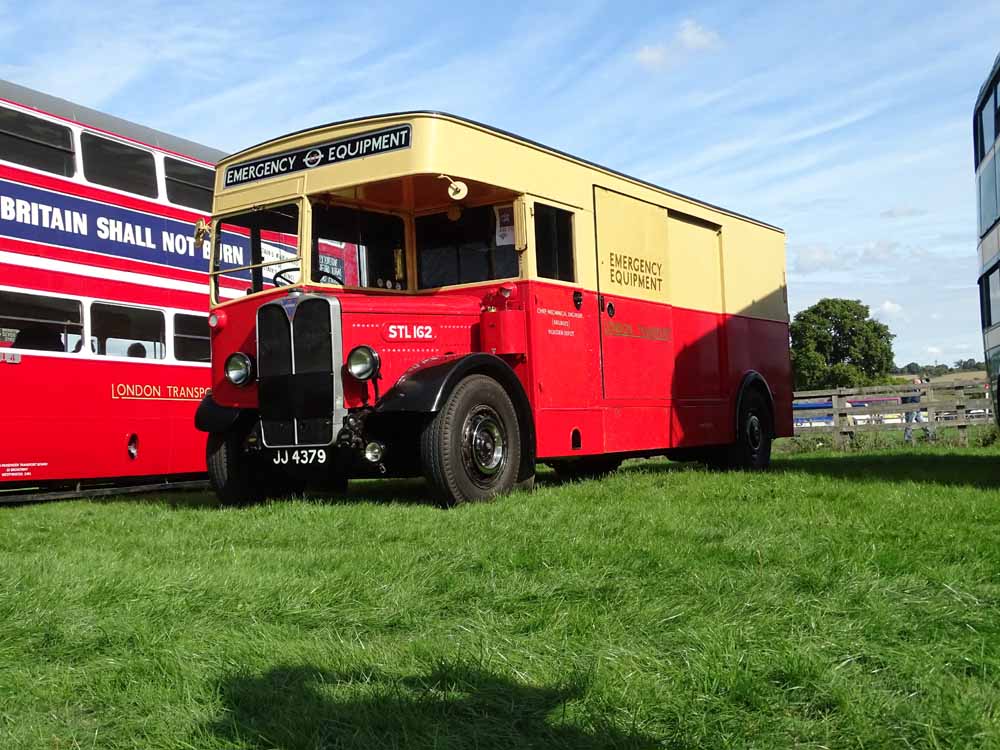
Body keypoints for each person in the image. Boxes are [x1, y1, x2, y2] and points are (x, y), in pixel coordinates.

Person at [902, 377, 932, 443]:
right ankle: (907, 440)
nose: (921, 384)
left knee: (923, 424)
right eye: (919, 383)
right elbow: (906, 400)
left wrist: (927, 384)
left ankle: (930, 436)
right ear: (915, 383)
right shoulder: (911, 389)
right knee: (909, 425)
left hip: (917, 410)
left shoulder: (917, 390)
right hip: (911, 410)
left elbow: (926, 388)